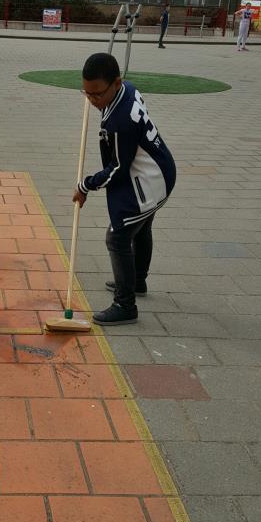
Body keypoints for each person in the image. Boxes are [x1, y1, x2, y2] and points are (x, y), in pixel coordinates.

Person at [73, 53, 176, 325]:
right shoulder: (128, 89)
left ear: (116, 83)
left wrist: (85, 184)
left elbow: (118, 169)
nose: (92, 100)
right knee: (140, 228)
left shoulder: (120, 122)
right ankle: (137, 280)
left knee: (117, 237)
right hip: (160, 168)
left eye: (97, 94)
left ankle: (125, 304)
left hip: (149, 181)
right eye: (87, 93)